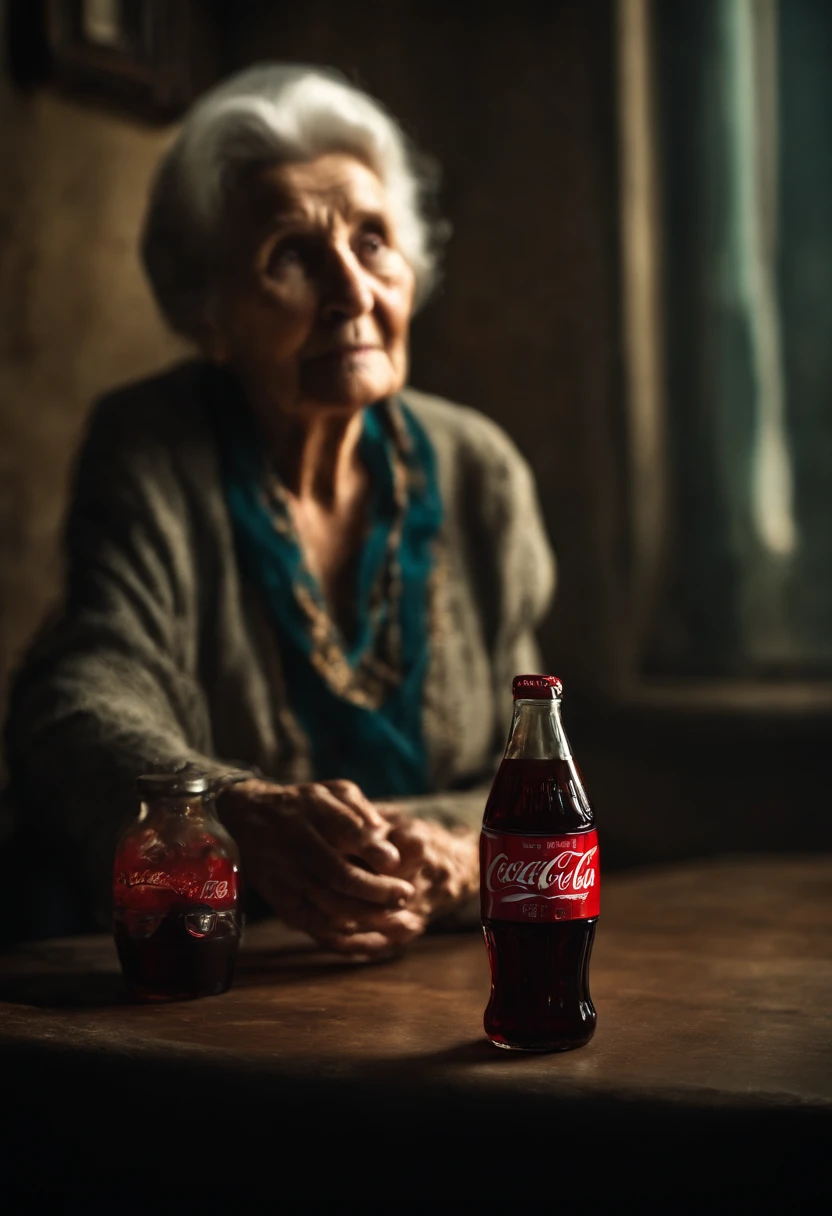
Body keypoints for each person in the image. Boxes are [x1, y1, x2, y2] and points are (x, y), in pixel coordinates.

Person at [3, 63, 555, 956]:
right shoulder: (154, 449)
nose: (352, 294)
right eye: (292, 257)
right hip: (219, 975)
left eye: (373, 242)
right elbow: (76, 703)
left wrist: (462, 858)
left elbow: (529, 765)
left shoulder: (477, 471)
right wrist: (234, 813)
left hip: (431, 967)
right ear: (208, 314)